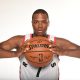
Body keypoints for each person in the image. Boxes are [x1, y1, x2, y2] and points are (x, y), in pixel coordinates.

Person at [0, 9, 80, 80]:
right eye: (36, 22)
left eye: (44, 22)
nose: (40, 26)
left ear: (48, 23)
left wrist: (64, 52)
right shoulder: (21, 41)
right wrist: (15, 53)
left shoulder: (56, 42)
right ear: (32, 23)